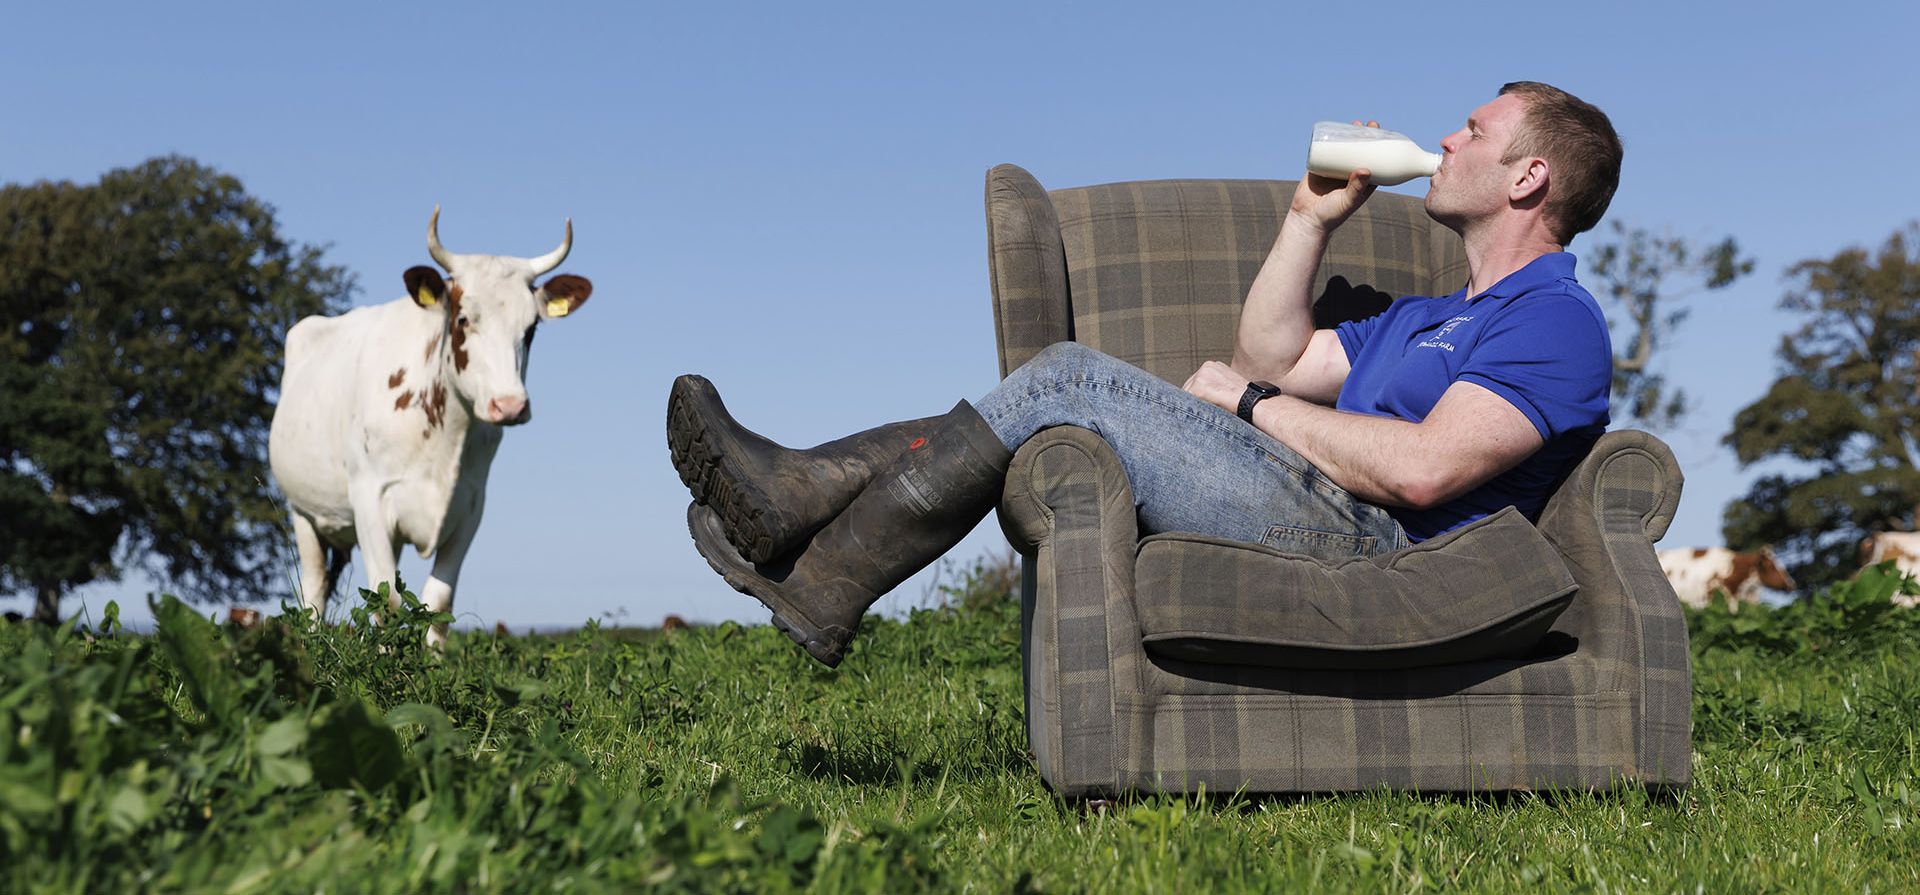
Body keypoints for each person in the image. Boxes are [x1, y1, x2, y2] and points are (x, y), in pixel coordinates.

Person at [668, 81, 1621, 667]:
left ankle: (815, 543)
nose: (1448, 141)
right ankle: (806, 523)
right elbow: (1275, 357)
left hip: (1387, 543)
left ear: (1529, 177)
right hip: (1326, 500)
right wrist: (1309, 221)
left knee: (1070, 378)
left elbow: (1423, 471)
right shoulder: (1430, 318)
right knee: (1060, 389)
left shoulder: (1553, 322)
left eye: (1472, 131)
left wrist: (1255, 409)